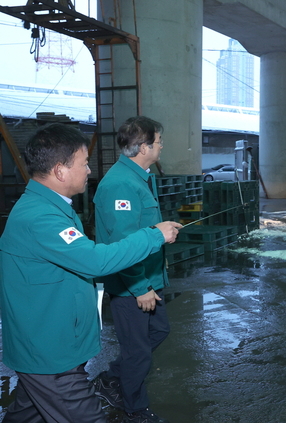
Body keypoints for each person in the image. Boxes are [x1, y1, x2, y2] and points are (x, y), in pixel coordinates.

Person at [0, 123, 181, 423]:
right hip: (51, 358)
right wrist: (154, 235)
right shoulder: (42, 218)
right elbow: (95, 260)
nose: (89, 171)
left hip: (50, 349)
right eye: (83, 164)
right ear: (60, 171)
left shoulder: (55, 209)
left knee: (26, 415)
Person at [92, 117, 172, 423]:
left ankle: (112, 379)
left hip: (148, 278)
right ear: (143, 147)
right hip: (131, 285)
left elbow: (142, 230)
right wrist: (139, 288)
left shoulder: (140, 176)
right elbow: (123, 244)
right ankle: (134, 409)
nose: (162, 145)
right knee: (137, 351)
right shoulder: (119, 185)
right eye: (159, 140)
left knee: (159, 331)